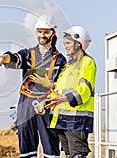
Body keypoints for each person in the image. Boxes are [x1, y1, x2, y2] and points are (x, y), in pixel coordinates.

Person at [0, 13, 66, 158]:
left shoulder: (60, 60)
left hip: (48, 105)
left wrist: (50, 84)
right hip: (25, 103)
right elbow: (12, 57)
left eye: (46, 32)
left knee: (51, 147)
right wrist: (2, 58)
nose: (42, 35)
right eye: (39, 31)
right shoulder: (27, 54)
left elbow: (63, 86)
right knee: (26, 147)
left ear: (53, 33)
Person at [30, 26, 96, 158]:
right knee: (68, 154)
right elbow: (59, 91)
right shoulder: (67, 67)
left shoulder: (87, 62)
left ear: (79, 43)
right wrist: (47, 102)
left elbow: (85, 89)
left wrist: (64, 98)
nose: (65, 47)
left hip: (76, 120)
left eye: (68, 43)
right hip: (61, 119)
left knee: (77, 154)